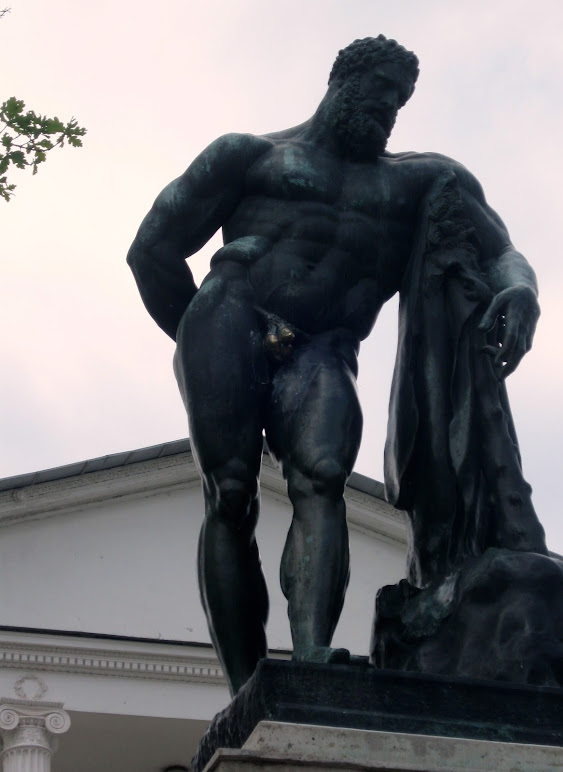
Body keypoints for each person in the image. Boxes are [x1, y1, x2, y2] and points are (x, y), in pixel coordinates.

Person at [127, 36, 547, 696]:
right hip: (232, 315)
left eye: (398, 102)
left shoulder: (419, 181)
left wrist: (520, 291)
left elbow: (500, 252)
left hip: (325, 345)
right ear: (340, 83)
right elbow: (151, 248)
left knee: (322, 478)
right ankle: (246, 686)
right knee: (231, 494)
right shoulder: (251, 155)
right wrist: (198, 337)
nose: (388, 109)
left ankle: (313, 655)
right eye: (379, 92)